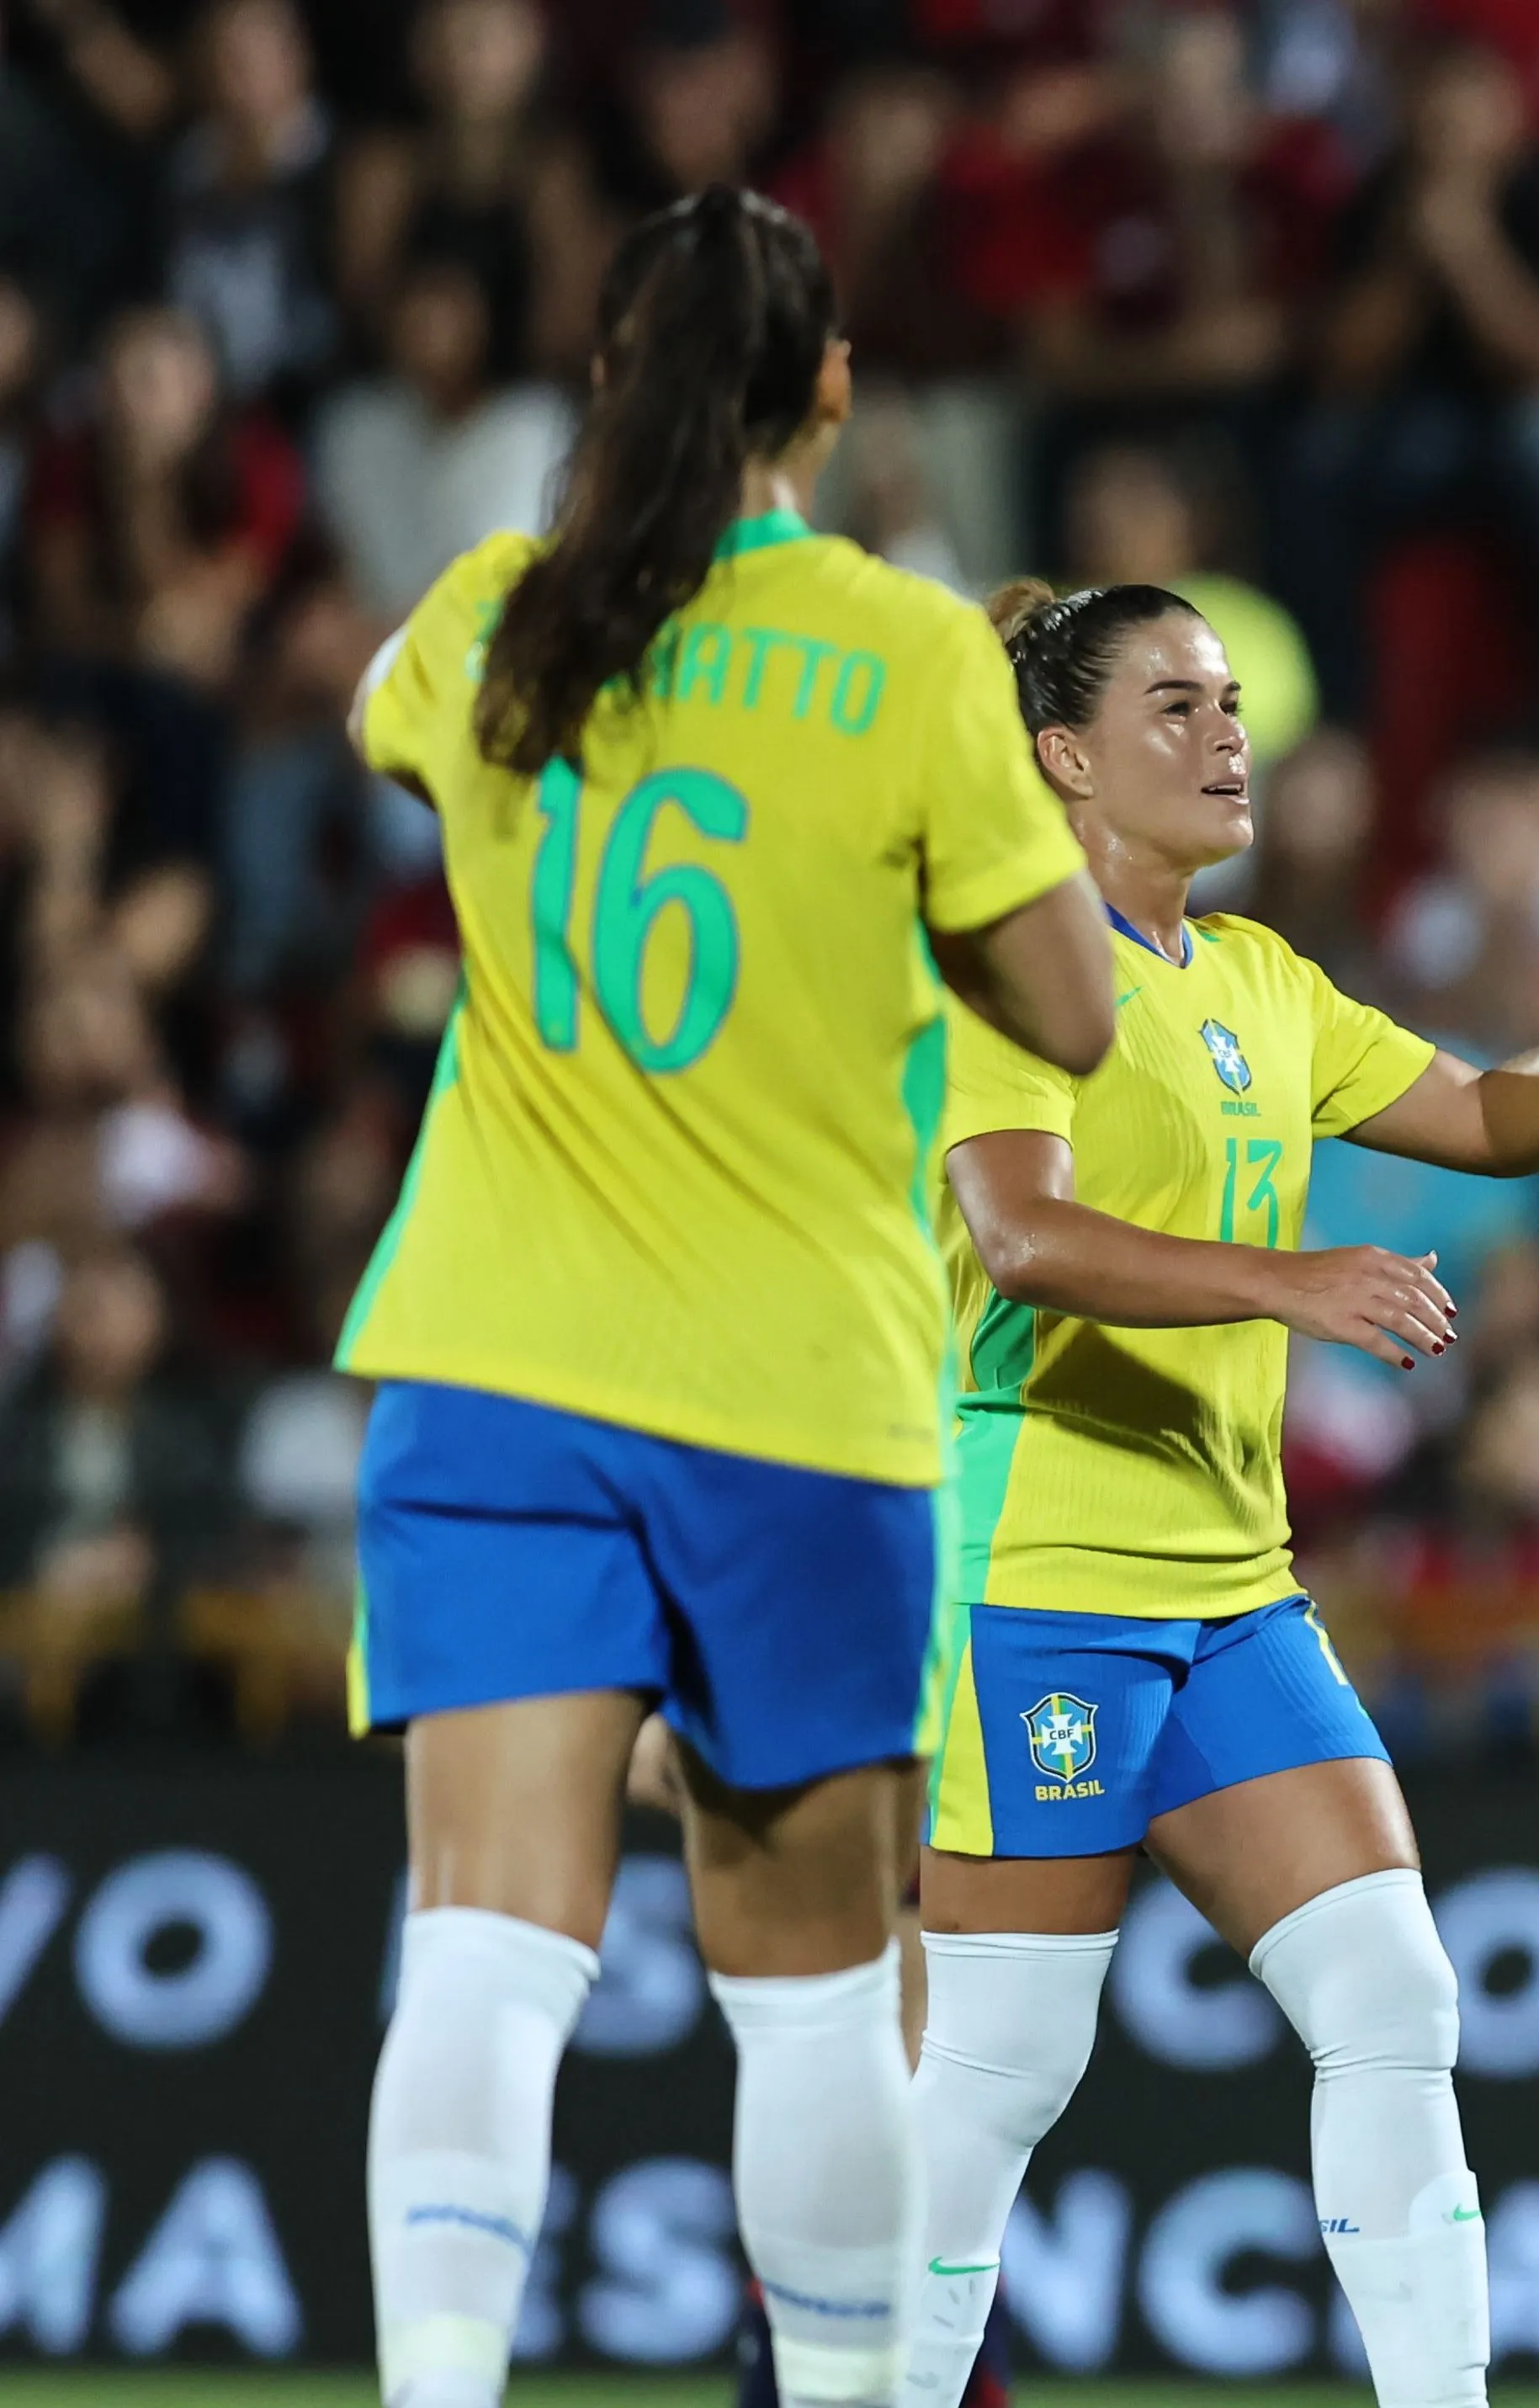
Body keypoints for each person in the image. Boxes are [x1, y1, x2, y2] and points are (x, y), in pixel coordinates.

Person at [340, 186, 1117, 2408]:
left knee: (484, 1959)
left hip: (489, 1367)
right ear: (836, 390)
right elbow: (1065, 1008)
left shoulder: (498, 614)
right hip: (795, 1395)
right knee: (806, 1992)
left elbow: (392, 739)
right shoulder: (903, 650)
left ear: (609, 378)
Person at [895, 577, 1539, 2408]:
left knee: (1394, 1996)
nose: (1224, 732)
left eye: (1231, 701)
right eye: (1173, 704)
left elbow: (1499, 1123)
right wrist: (1288, 1280)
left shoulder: (1261, 978)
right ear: (1063, 755)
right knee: (1004, 2062)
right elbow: (1016, 1232)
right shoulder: (1009, 965)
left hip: (1226, 1590)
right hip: (1036, 1569)